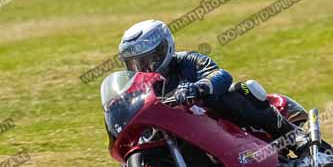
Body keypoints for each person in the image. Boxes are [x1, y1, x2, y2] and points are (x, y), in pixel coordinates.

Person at [118, 20, 298, 143]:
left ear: (165, 48)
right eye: (133, 64)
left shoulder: (187, 60)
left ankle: (294, 138)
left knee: (243, 89)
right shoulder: (140, 87)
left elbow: (221, 75)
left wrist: (197, 88)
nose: (143, 68)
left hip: (220, 122)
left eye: (149, 59)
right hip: (185, 132)